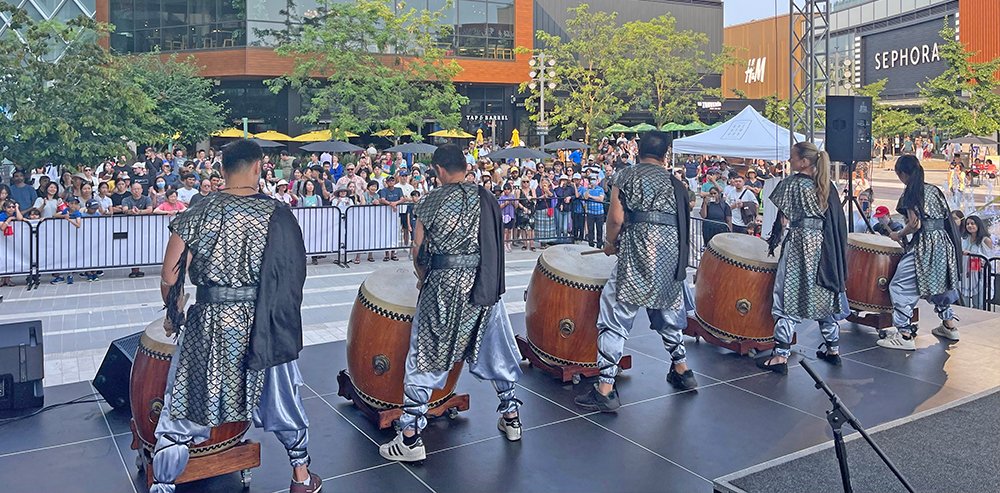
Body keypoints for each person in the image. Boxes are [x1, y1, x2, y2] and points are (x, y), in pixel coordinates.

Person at [150, 140, 321, 493]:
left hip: (209, 321)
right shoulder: (278, 213)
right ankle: (301, 477)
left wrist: (174, 311)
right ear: (259, 167)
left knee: (181, 406)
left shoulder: (197, 213)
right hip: (264, 322)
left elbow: (170, 277)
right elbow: (292, 273)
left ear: (222, 169)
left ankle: (164, 485)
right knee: (283, 396)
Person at [379, 144, 523, 461]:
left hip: (443, 286)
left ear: (440, 170)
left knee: (426, 355)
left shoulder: (430, 201)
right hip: (483, 284)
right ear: (465, 167)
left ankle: (410, 437)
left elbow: (418, 250)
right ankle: (511, 417)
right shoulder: (486, 198)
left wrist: (421, 277)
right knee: (494, 348)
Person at [575, 130, 697, 413]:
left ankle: (605, 388)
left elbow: (616, 218)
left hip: (637, 253)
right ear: (665, 154)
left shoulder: (626, 176)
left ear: (638, 150)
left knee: (614, 315)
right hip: (669, 256)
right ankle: (682, 370)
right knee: (667, 312)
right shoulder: (675, 183)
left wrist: (609, 243)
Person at [757, 142, 849, 374]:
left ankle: (780, 355)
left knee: (788, 294)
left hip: (799, 244)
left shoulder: (792, 184)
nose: (790, 161)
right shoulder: (827, 186)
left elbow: (782, 219)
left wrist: (773, 241)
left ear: (804, 162)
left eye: (792, 157)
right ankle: (833, 350)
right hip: (824, 247)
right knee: (823, 295)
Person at [880, 155, 963, 349]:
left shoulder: (911, 192)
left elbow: (915, 224)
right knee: (940, 284)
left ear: (902, 173)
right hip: (943, 242)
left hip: (925, 245)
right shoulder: (933, 189)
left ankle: (904, 334)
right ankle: (949, 325)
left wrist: (898, 234)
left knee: (900, 285)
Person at [961, 215, 995, 309]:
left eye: (972, 223)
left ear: (978, 225)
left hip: (979, 274)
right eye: (967, 224)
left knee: (979, 301)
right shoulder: (964, 238)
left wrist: (973, 255)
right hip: (967, 274)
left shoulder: (986, 240)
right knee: (965, 299)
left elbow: (989, 259)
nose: (970, 226)